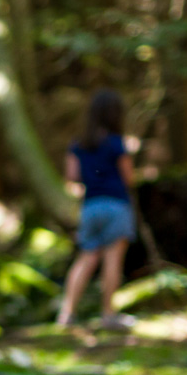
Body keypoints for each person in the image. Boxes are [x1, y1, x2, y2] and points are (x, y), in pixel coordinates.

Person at [56, 89, 137, 330]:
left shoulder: (78, 144)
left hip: (90, 205)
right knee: (112, 259)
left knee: (87, 257)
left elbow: (72, 176)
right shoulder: (116, 143)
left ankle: (66, 313)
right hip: (116, 204)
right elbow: (128, 177)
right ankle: (108, 313)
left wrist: (92, 178)